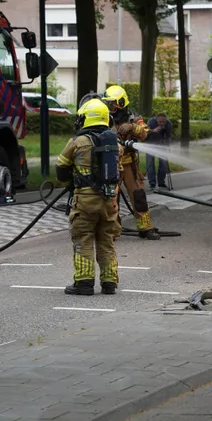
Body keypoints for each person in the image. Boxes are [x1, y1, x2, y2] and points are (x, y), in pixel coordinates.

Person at [55, 99, 123, 295]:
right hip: (109, 202)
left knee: (83, 238)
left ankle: (84, 283)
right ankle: (109, 282)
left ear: (85, 118)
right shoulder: (115, 145)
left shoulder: (78, 142)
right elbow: (118, 174)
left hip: (85, 201)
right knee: (106, 240)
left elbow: (61, 168)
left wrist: (71, 181)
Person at [102, 85, 161, 240]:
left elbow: (148, 135)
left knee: (139, 196)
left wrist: (133, 128)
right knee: (111, 197)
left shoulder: (134, 118)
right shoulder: (104, 119)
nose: (110, 109)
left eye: (112, 104)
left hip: (130, 165)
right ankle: (112, 231)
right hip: (111, 163)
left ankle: (145, 228)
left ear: (121, 103)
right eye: (108, 104)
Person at [146, 113, 172, 191]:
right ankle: (152, 183)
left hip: (162, 145)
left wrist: (167, 146)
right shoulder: (151, 122)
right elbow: (145, 133)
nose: (162, 123)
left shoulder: (168, 124)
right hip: (150, 145)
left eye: (163, 122)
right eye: (160, 122)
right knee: (150, 165)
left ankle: (161, 182)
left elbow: (169, 137)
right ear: (156, 119)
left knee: (163, 165)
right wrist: (153, 131)